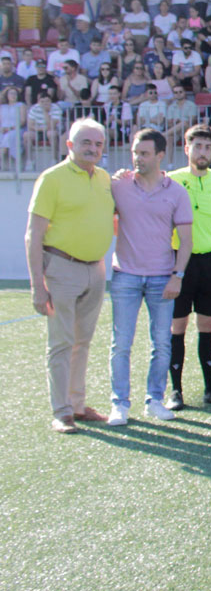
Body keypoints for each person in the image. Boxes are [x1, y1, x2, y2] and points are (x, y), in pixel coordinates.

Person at [26, 118, 112, 433]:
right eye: (86, 143)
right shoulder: (52, 178)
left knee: (83, 341)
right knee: (61, 342)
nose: (93, 148)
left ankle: (77, 404)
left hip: (95, 269)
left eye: (98, 144)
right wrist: (38, 286)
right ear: (70, 145)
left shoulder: (103, 178)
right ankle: (61, 412)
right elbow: (33, 235)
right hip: (62, 267)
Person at [106, 128, 192, 426]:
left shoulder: (177, 192)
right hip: (125, 276)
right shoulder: (118, 185)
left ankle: (154, 399)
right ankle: (120, 403)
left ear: (159, 155)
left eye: (144, 153)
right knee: (122, 343)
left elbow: (186, 240)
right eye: (135, 153)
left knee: (162, 342)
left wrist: (177, 276)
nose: (137, 158)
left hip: (161, 278)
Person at [166, 125, 211, 409]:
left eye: (207, 147)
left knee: (208, 326)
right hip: (177, 261)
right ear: (186, 148)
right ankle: (175, 391)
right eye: (198, 146)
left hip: (210, 261)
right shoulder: (170, 180)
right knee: (176, 327)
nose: (202, 152)